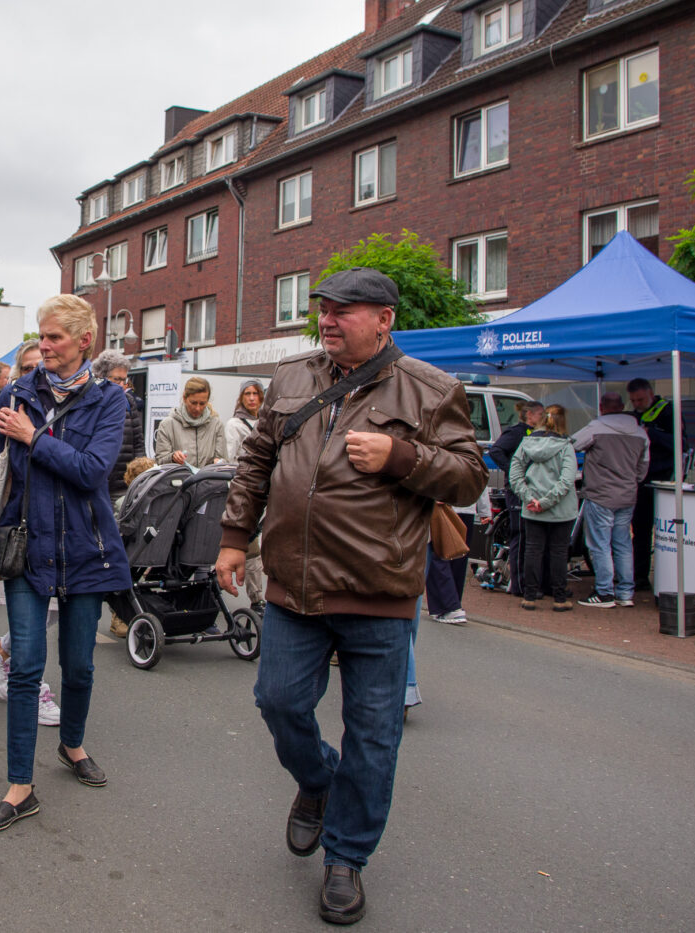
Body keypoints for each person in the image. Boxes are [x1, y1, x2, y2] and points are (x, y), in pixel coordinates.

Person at [214, 267, 486, 925]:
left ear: (385, 318)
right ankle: (316, 781)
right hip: (294, 589)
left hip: (379, 592)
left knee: (374, 734)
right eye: (324, 309)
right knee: (277, 701)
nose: (328, 320)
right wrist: (231, 536)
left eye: (345, 311)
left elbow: (471, 477)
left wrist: (400, 456)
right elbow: (256, 460)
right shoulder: (293, 375)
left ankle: (346, 857)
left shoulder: (432, 388)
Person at [0, 294, 130, 834]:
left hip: (87, 551)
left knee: (79, 665)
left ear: (85, 340)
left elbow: (91, 471)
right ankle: (20, 787)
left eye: (54, 336)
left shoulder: (110, 400)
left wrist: (34, 438)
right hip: (26, 549)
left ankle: (72, 745)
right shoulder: (15, 394)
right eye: (41, 335)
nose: (43, 345)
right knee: (27, 667)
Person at [572, 392, 648, 608]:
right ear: (623, 406)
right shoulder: (641, 433)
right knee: (623, 544)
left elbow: (571, 445)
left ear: (601, 407)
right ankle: (625, 593)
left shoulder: (595, 428)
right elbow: (643, 468)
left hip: (600, 494)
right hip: (627, 495)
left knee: (600, 544)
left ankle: (604, 592)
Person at [511, 404, 579, 612]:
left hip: (531, 509)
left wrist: (530, 499)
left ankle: (529, 596)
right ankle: (559, 598)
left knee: (532, 551)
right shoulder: (566, 447)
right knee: (558, 553)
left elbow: (515, 476)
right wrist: (547, 501)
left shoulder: (526, 444)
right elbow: (566, 481)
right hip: (561, 511)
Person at [487, 399, 544, 597]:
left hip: (531, 490)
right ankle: (518, 584)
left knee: (531, 537)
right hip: (516, 492)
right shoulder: (516, 433)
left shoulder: (537, 435)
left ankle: (534, 582)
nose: (543, 418)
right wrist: (513, 471)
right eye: (540, 415)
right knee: (519, 535)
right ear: (530, 415)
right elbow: (495, 451)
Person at [627, 377, 675, 590]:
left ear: (650, 393)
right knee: (641, 529)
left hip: (662, 477)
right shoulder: (634, 415)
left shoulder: (668, 411)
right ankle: (640, 577)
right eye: (634, 401)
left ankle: (669, 579)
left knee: (666, 532)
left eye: (640, 400)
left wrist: (652, 434)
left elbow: (679, 443)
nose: (637, 405)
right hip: (641, 479)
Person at [225, 378, 268, 611]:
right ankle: (256, 597)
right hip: (249, 490)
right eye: (247, 394)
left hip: (270, 488)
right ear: (241, 398)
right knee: (252, 547)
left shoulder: (268, 421)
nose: (252, 398)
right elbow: (232, 460)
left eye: (256, 394)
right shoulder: (235, 424)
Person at [424, 488, 490, 625]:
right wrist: (484, 509)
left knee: (438, 554)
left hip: (443, 503)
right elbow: (479, 477)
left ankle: (448, 606)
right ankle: (453, 603)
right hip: (466, 506)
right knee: (458, 554)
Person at [92, 348, 143, 502]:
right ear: (101, 377)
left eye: (124, 380)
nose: (122, 385)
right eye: (117, 380)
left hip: (124, 486)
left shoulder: (129, 402)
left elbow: (138, 442)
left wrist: (138, 476)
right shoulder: (90, 402)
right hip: (97, 485)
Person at [154, 376, 225, 467]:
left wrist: (218, 462)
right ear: (184, 398)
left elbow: (222, 458)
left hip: (207, 479)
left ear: (207, 401)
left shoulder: (216, 425)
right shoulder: (167, 425)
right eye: (193, 403)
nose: (197, 408)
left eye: (202, 403)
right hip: (179, 479)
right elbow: (160, 460)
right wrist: (172, 457)